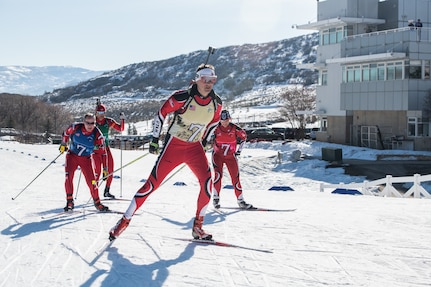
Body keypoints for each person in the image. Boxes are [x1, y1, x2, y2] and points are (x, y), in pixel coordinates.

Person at [109, 63, 222, 241]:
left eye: (212, 80)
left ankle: (198, 227)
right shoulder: (182, 97)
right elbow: (161, 114)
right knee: (151, 185)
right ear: (197, 80)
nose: (208, 83)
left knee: (208, 183)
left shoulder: (217, 102)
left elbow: (214, 122)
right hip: (174, 147)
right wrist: (154, 140)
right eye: (205, 79)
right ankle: (124, 220)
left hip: (194, 147)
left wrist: (206, 139)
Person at [59, 113, 109, 212]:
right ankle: (69, 201)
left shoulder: (97, 135)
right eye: (88, 123)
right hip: (72, 156)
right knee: (68, 177)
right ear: (84, 122)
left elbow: (103, 153)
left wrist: (105, 169)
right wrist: (63, 144)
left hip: (86, 159)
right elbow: (66, 133)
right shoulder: (75, 127)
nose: (90, 125)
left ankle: (97, 203)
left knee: (92, 182)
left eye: (92, 123)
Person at [211, 110, 253, 210]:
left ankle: (240, 200)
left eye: (226, 120)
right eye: (222, 120)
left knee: (235, 177)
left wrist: (239, 151)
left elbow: (244, 137)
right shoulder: (215, 128)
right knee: (217, 176)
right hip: (217, 156)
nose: (224, 122)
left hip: (230, 156)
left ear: (229, 119)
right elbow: (205, 135)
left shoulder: (234, 128)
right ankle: (216, 198)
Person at [93, 102, 125, 198]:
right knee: (97, 172)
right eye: (99, 113)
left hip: (106, 148)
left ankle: (107, 190)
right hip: (95, 150)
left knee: (110, 169)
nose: (101, 115)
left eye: (103, 113)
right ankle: (94, 192)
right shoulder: (92, 122)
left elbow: (121, 129)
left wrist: (122, 119)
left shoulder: (108, 121)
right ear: (96, 113)